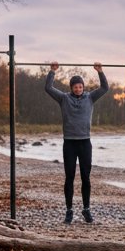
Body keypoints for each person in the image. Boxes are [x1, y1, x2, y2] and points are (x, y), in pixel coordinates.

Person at [45, 61, 108, 223]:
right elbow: (48, 88)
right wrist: (52, 71)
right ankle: (69, 210)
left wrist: (100, 71)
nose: (78, 89)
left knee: (86, 177)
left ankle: (86, 209)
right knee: (69, 177)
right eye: (75, 87)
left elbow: (104, 88)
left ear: (83, 87)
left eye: (80, 86)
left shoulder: (90, 97)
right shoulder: (64, 98)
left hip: (85, 143)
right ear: (71, 87)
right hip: (70, 144)